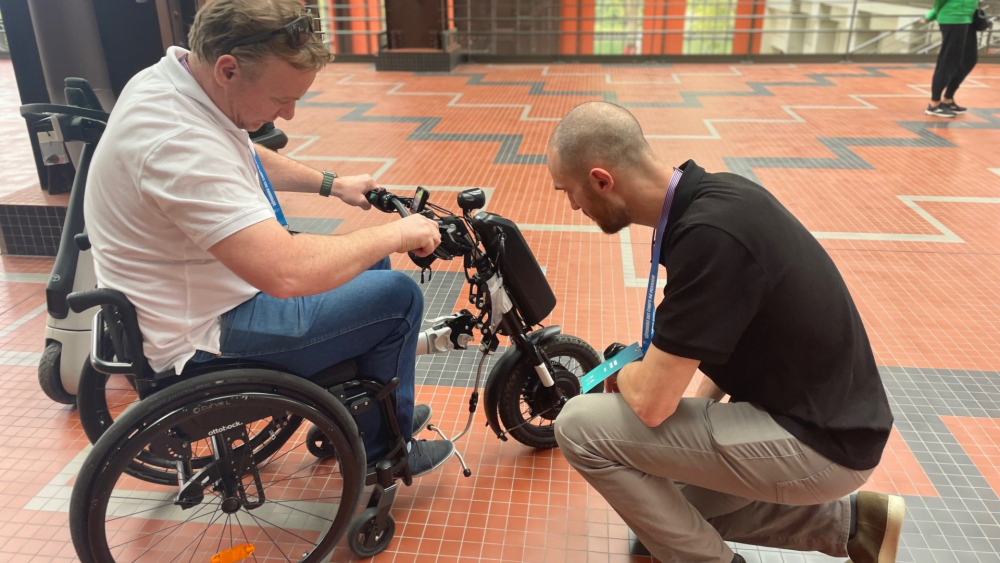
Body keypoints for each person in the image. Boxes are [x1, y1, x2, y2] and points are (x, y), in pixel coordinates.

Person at [83, 0, 455, 475]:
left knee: (368, 268)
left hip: (193, 293)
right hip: (202, 335)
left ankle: (361, 414)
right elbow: (287, 272)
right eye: (282, 98)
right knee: (398, 297)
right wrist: (397, 233)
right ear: (228, 69)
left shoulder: (174, 81)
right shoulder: (176, 142)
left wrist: (331, 183)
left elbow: (242, 153)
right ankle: (385, 450)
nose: (291, 114)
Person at [548, 102, 903, 563]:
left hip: (819, 442)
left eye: (570, 191)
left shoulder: (710, 237)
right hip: (833, 420)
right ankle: (857, 526)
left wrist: (632, 373)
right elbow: (725, 336)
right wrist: (685, 422)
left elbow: (652, 405)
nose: (573, 205)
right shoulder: (718, 198)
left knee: (577, 425)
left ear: (601, 180)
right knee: (661, 509)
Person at [924, 0, 981, 117]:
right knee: (949, 60)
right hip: (953, 18)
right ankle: (934, 104)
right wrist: (931, 14)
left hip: (968, 19)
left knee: (969, 59)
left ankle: (948, 99)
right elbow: (939, 2)